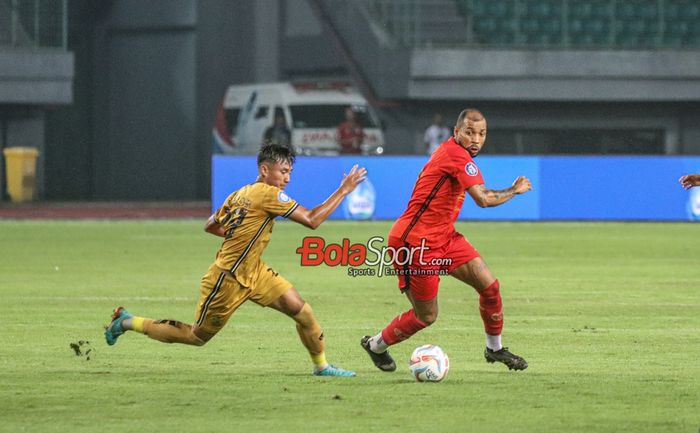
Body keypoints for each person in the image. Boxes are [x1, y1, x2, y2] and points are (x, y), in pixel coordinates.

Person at [105, 143, 367, 377]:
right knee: (196, 336)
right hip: (227, 278)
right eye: (282, 171)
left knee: (303, 312)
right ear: (265, 170)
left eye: (289, 173)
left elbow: (210, 225)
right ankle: (126, 321)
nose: (286, 179)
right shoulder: (267, 193)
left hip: (255, 271)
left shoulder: (239, 194)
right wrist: (344, 189)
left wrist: (239, 236)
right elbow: (312, 220)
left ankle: (321, 366)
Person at [361, 109, 532, 372]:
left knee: (490, 287)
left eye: (482, 134)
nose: (476, 139)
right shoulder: (455, 155)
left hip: (445, 237)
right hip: (414, 244)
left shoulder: (458, 153)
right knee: (426, 316)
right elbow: (484, 199)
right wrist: (514, 190)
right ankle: (375, 345)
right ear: (456, 132)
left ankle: (494, 349)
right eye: (469, 132)